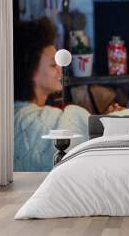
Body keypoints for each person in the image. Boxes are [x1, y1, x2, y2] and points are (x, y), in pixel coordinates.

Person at [14, 17, 90, 172]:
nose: (60, 70)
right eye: (53, 64)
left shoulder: (5, 117)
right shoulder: (66, 119)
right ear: (31, 70)